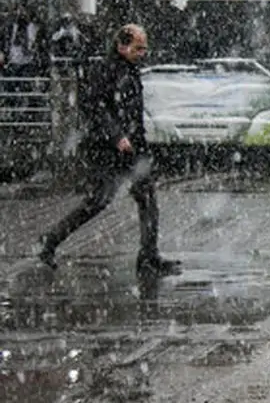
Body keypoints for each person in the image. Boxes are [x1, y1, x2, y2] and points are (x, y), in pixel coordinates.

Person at [37, 24, 181, 276]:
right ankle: (50, 240)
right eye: (138, 48)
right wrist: (116, 136)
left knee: (147, 197)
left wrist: (137, 141)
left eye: (144, 47)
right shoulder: (106, 70)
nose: (143, 53)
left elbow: (130, 111)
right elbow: (96, 107)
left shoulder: (128, 69)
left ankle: (148, 257)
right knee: (98, 201)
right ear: (121, 46)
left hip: (131, 146)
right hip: (107, 148)